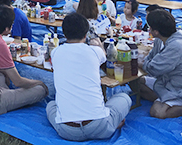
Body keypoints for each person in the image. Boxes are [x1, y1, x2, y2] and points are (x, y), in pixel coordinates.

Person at [47, 12, 130, 141]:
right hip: (99, 127)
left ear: (64, 33)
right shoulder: (94, 51)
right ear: (86, 34)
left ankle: (109, 121)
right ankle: (112, 122)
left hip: (67, 131)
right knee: (125, 97)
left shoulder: (56, 52)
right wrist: (96, 40)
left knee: (51, 105)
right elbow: (104, 54)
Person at [140, 9, 182, 119]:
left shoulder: (177, 45)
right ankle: (165, 100)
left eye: (150, 27)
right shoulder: (159, 40)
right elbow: (150, 59)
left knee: (157, 112)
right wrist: (144, 62)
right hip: (167, 82)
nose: (148, 29)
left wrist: (139, 62)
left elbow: (153, 68)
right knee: (137, 83)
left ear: (155, 31)